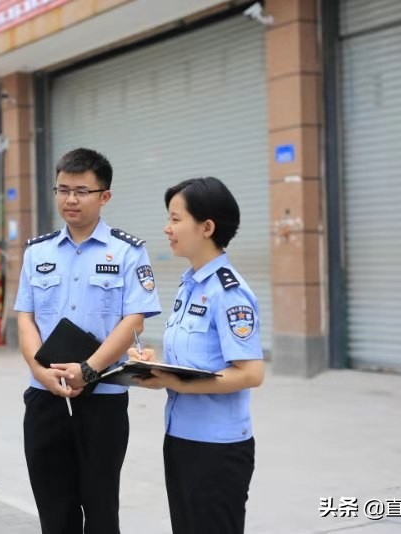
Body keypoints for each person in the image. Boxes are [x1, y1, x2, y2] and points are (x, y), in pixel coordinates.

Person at [14, 147, 162, 534]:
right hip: (45, 396)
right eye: (62, 189)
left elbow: (136, 320)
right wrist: (38, 371)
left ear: (104, 196)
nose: (70, 199)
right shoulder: (37, 251)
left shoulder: (129, 251)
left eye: (81, 190)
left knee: (100, 509)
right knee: (53, 511)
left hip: (102, 402)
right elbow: (25, 318)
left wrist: (88, 370)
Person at [128, 177, 265, 534]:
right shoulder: (190, 285)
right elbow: (196, 363)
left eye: (175, 219)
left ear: (206, 227)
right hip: (182, 438)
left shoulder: (229, 292)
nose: (166, 228)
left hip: (217, 448)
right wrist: (156, 367)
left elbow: (251, 373)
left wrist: (178, 383)